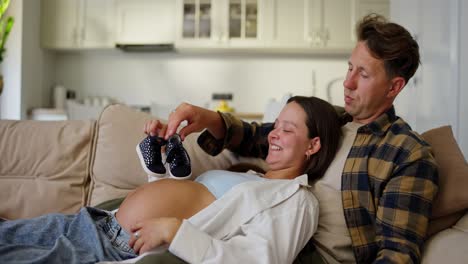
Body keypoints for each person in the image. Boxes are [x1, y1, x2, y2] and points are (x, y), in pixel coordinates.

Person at [162, 14, 438, 263]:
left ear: (394, 86)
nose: (347, 82)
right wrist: (205, 117)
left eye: (363, 74)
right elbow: (256, 137)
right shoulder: (332, 120)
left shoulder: (406, 153)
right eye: (350, 67)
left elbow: (398, 253)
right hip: (262, 228)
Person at [0, 96, 342, 264]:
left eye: (288, 128)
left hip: (113, 249)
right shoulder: (252, 176)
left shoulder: (296, 200)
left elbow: (255, 260)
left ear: (313, 145)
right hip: (94, 223)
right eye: (275, 125)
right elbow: (183, 202)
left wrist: (174, 232)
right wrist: (158, 168)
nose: (273, 134)